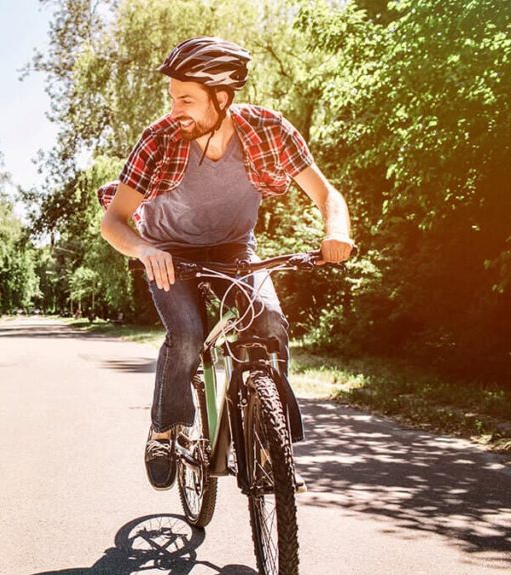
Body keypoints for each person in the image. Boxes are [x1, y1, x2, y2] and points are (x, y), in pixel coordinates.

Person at [98, 37, 354, 490]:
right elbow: (114, 221)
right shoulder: (160, 139)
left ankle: (267, 439)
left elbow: (326, 194)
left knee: (271, 322)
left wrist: (337, 231)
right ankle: (164, 430)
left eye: (186, 99)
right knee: (188, 335)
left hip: (235, 248)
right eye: (173, 97)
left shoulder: (268, 130)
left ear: (221, 97)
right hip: (167, 252)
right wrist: (145, 250)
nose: (175, 108)